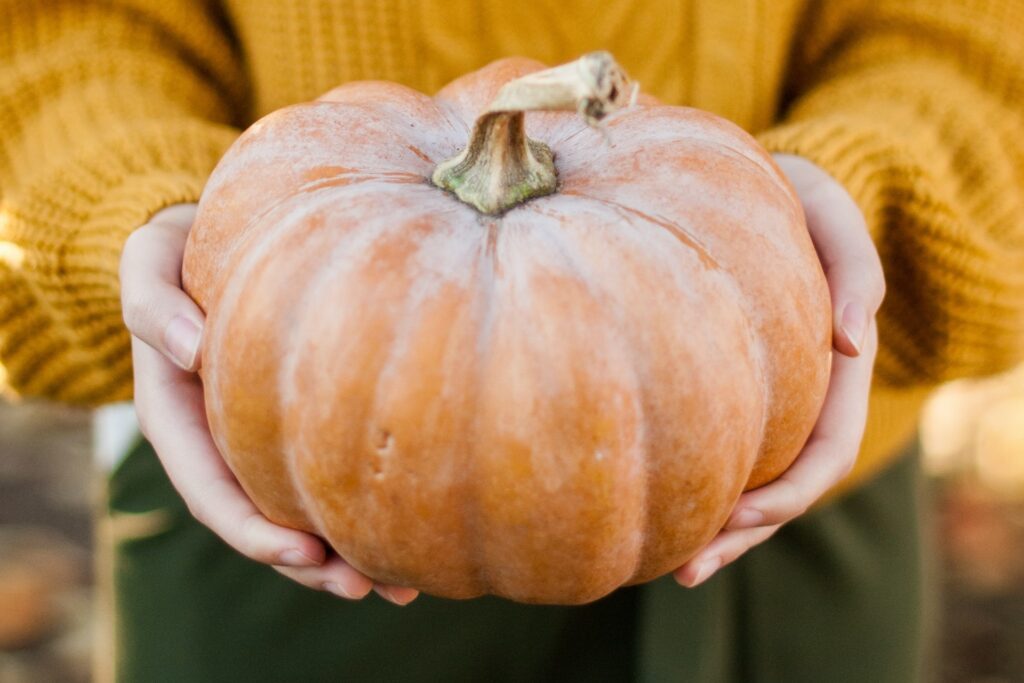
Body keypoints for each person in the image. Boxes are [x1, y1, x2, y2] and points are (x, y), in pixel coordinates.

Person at [1, 1, 1021, 681]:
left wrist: (845, 209)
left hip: (785, 497)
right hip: (282, 497)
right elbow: (64, 29)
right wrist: (136, 198)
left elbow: (970, 34)